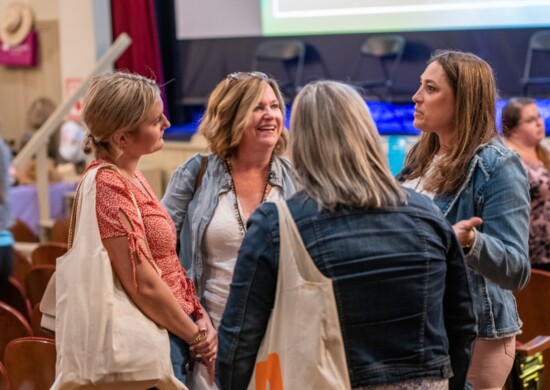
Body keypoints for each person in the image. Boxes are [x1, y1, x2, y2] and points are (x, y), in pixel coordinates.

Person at [217, 80, 477, 390]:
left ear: (302, 142)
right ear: (367, 134)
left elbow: (240, 336)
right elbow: (462, 323)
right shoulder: (428, 214)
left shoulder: (276, 224)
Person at [398, 50, 531, 389]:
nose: (416, 97)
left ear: (463, 100)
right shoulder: (420, 155)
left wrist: (470, 243)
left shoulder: (498, 165)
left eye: (430, 88)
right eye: (420, 86)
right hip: (421, 325)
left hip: (476, 334)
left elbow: (517, 269)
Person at [79, 71, 217, 383]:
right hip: (153, 337)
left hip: (172, 327)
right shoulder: (109, 184)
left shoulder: (131, 175)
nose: (167, 123)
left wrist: (198, 313)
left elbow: (165, 261)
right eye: (156, 120)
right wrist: (195, 335)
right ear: (122, 137)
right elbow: (143, 283)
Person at [161, 71, 295, 388]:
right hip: (209, 343)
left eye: (275, 106)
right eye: (257, 107)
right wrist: (193, 318)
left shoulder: (298, 180)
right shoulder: (196, 173)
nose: (270, 115)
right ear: (231, 115)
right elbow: (160, 253)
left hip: (281, 339)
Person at [502, 97, 550, 270]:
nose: (539, 123)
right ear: (513, 129)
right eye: (531, 120)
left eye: (539, 117)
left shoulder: (542, 151)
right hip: (531, 254)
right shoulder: (508, 159)